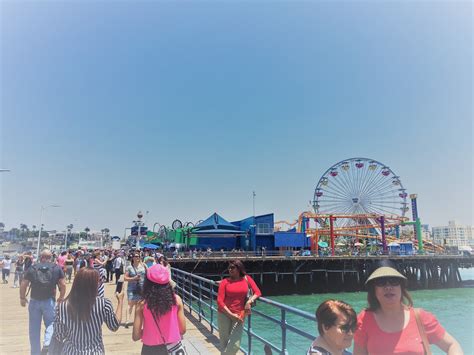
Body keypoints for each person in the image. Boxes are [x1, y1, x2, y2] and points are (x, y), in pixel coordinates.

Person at [353, 265, 463, 355]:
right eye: (381, 283)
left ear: (401, 287)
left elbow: (452, 345)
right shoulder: (364, 319)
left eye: (394, 281)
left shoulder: (421, 317)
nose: (388, 287)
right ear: (374, 290)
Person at [52, 267, 125, 354]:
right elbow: (114, 326)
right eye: (99, 281)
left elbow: (59, 335)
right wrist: (120, 301)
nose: (100, 283)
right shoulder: (104, 304)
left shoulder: (62, 307)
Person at [132, 263, 186, 355]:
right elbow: (182, 330)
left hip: (150, 349)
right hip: (173, 348)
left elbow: (136, 336)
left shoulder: (142, 304)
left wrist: (149, 332)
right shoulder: (176, 300)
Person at [20, 249, 66, 355]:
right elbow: (62, 284)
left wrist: (22, 298)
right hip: (49, 301)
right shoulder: (56, 268)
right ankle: (48, 342)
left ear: (41, 257)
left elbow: (24, 283)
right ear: (51, 257)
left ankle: (35, 353)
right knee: (51, 323)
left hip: (34, 301)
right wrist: (61, 297)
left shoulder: (33, 268)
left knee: (34, 329)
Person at [217, 260, 261, 355]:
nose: (230, 269)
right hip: (224, 313)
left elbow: (257, 292)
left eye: (233, 267)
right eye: (229, 268)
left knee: (235, 345)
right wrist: (230, 314)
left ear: (239, 268)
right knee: (224, 343)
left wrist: (249, 301)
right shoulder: (224, 282)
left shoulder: (247, 279)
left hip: (240, 315)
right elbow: (219, 301)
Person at [124, 252, 147, 327]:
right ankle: (127, 321)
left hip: (142, 288)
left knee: (140, 305)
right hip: (132, 288)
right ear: (133, 258)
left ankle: (138, 320)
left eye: (139, 256)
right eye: (136, 256)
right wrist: (134, 278)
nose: (138, 258)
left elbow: (149, 273)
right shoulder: (129, 267)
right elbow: (125, 278)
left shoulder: (143, 265)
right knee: (130, 304)